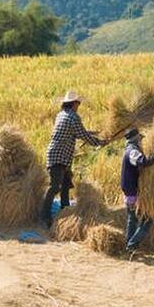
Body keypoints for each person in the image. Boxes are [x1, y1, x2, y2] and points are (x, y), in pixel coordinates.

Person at [41, 91, 104, 228]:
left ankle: (64, 212)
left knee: (66, 185)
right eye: (78, 103)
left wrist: (93, 133)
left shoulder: (61, 115)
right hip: (59, 157)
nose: (79, 105)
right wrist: (100, 142)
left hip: (60, 156)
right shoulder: (73, 117)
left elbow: (75, 132)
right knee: (54, 187)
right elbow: (82, 135)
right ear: (73, 103)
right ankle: (45, 217)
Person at [121, 128, 154, 252]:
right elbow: (143, 162)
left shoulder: (128, 150)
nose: (141, 141)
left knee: (132, 218)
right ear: (136, 139)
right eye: (140, 139)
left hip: (129, 189)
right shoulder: (132, 151)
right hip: (131, 190)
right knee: (149, 219)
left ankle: (129, 245)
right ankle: (132, 243)